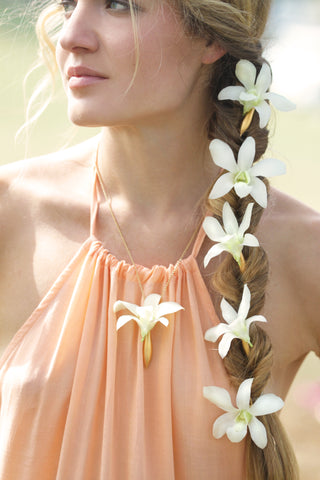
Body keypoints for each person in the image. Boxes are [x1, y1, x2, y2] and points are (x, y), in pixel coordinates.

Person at [0, 0, 319, 478]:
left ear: (211, 39)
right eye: (69, 5)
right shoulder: (11, 215)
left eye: (118, 5)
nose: (71, 36)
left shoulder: (301, 253)